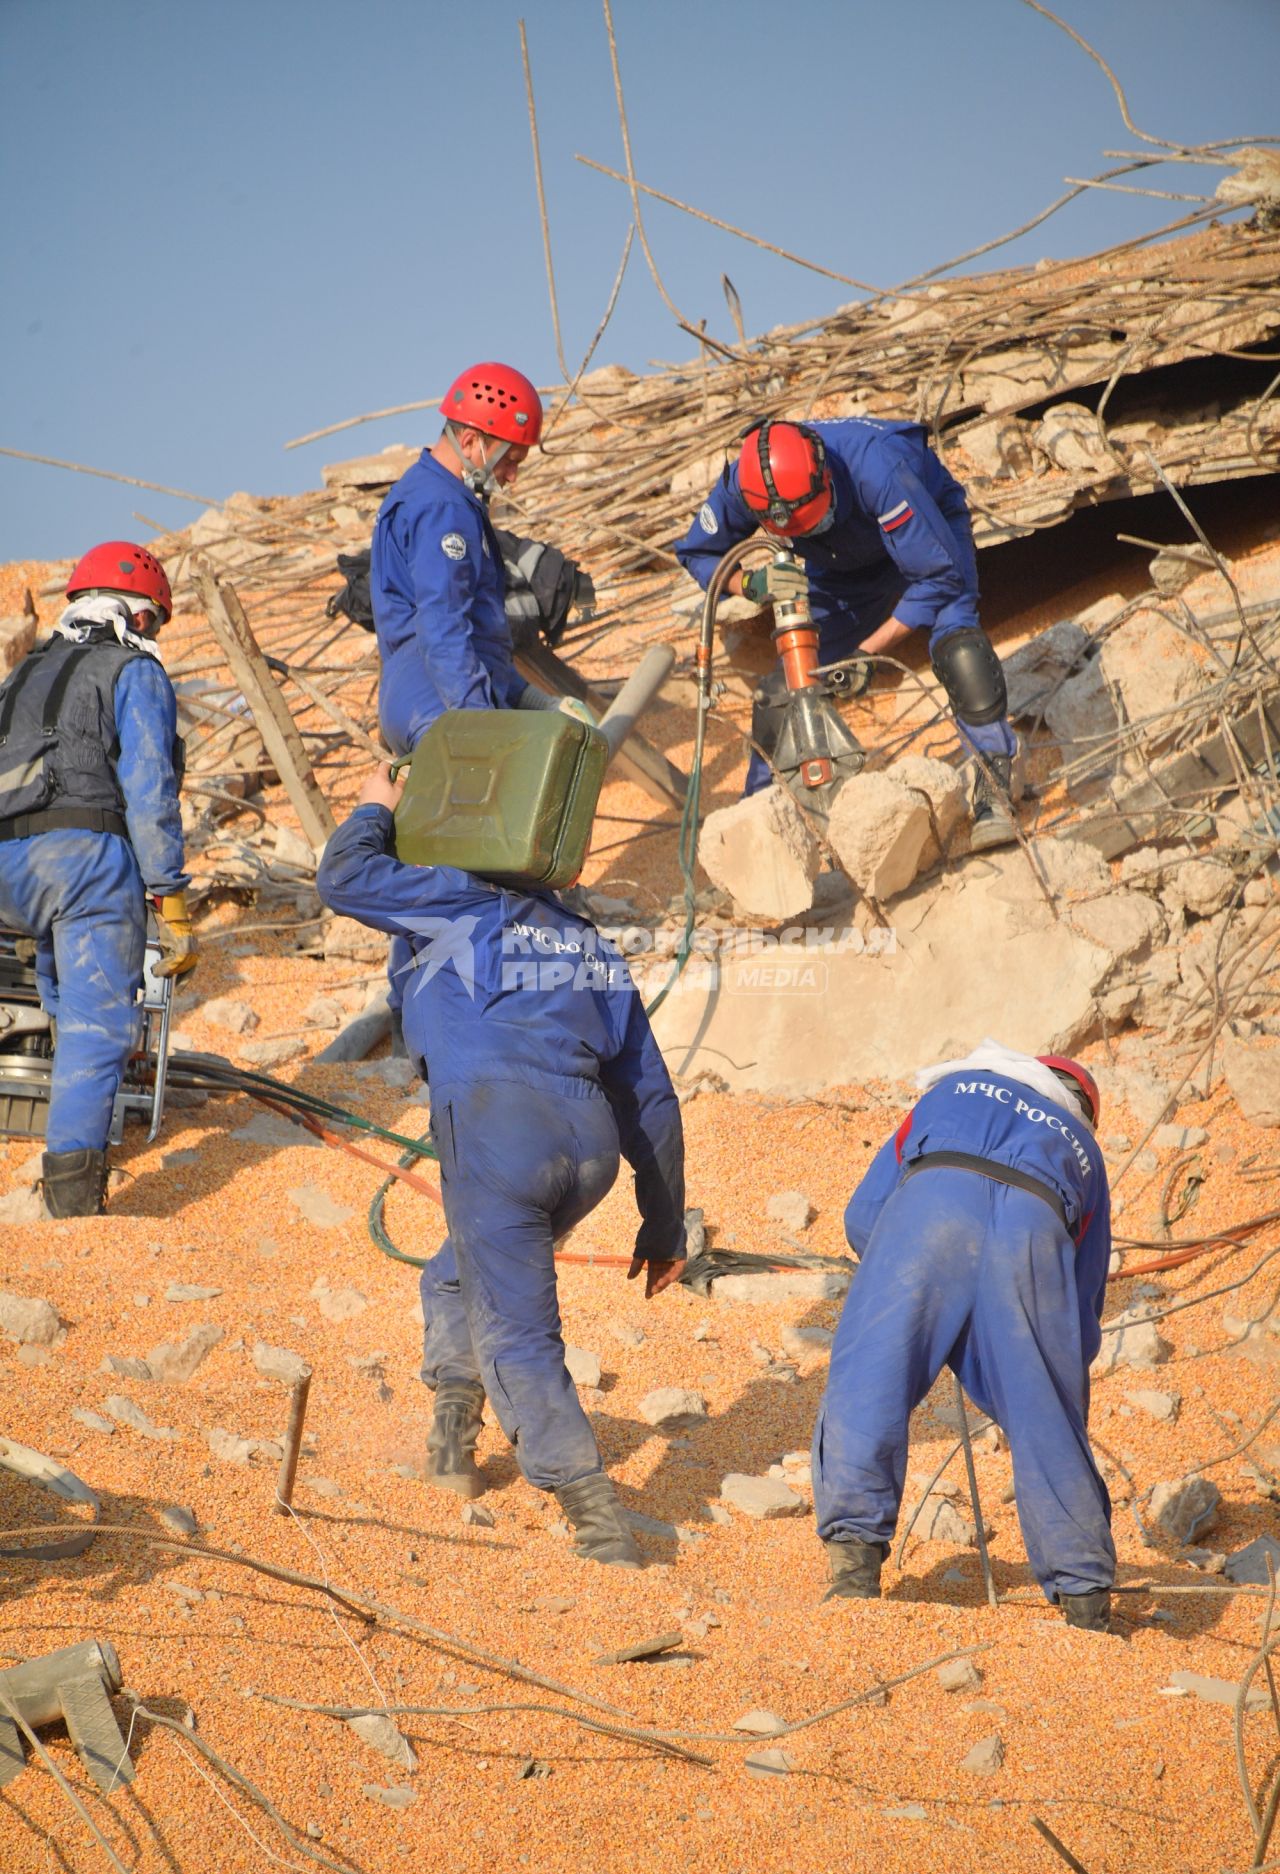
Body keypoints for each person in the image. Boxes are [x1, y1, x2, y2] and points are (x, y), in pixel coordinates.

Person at [317, 764, 687, 1567]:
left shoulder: (455, 899)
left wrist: (375, 810)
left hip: (498, 1131)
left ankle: (596, 1518)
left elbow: (343, 877)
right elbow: (650, 1096)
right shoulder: (586, 942)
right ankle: (452, 1436)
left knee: (516, 1331)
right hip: (586, 1148)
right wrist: (663, 1225)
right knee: (458, 1275)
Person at [812, 1040, 1114, 1631]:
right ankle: (1085, 1600)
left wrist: (920, 1303)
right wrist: (1019, 1361)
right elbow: (1080, 1309)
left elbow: (862, 1217)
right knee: (1046, 1415)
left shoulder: (950, 1090)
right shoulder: (1085, 1151)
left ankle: (852, 1572)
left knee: (870, 1376)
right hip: (1033, 1230)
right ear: (1081, 1107)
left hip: (931, 1206)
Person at [369, 361, 590, 1046]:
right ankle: (438, 1020)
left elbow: (480, 639)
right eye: (513, 459)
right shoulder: (440, 507)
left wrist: (533, 701)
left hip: (457, 690)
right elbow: (443, 628)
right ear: (475, 438)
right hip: (438, 698)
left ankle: (448, 1011)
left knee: (455, 851)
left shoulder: (451, 500)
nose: (514, 474)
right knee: (460, 861)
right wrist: (479, 727)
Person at [674, 417, 1019, 849]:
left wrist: (867, 653)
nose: (804, 529)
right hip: (838, 563)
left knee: (958, 644)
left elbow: (937, 578)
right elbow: (696, 551)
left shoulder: (879, 467)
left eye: (812, 519)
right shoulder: (746, 483)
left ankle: (995, 787)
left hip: (928, 531)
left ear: (825, 476)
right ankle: (762, 827)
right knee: (786, 689)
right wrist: (749, 583)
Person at [0, 542, 197, 1216]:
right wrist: (170, 900)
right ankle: (73, 1202)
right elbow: (149, 790)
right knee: (96, 1023)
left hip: (6, 865)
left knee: (61, 983)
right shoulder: (131, 670)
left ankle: (59, 1113)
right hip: (81, 859)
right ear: (142, 619)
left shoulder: (19, 676)